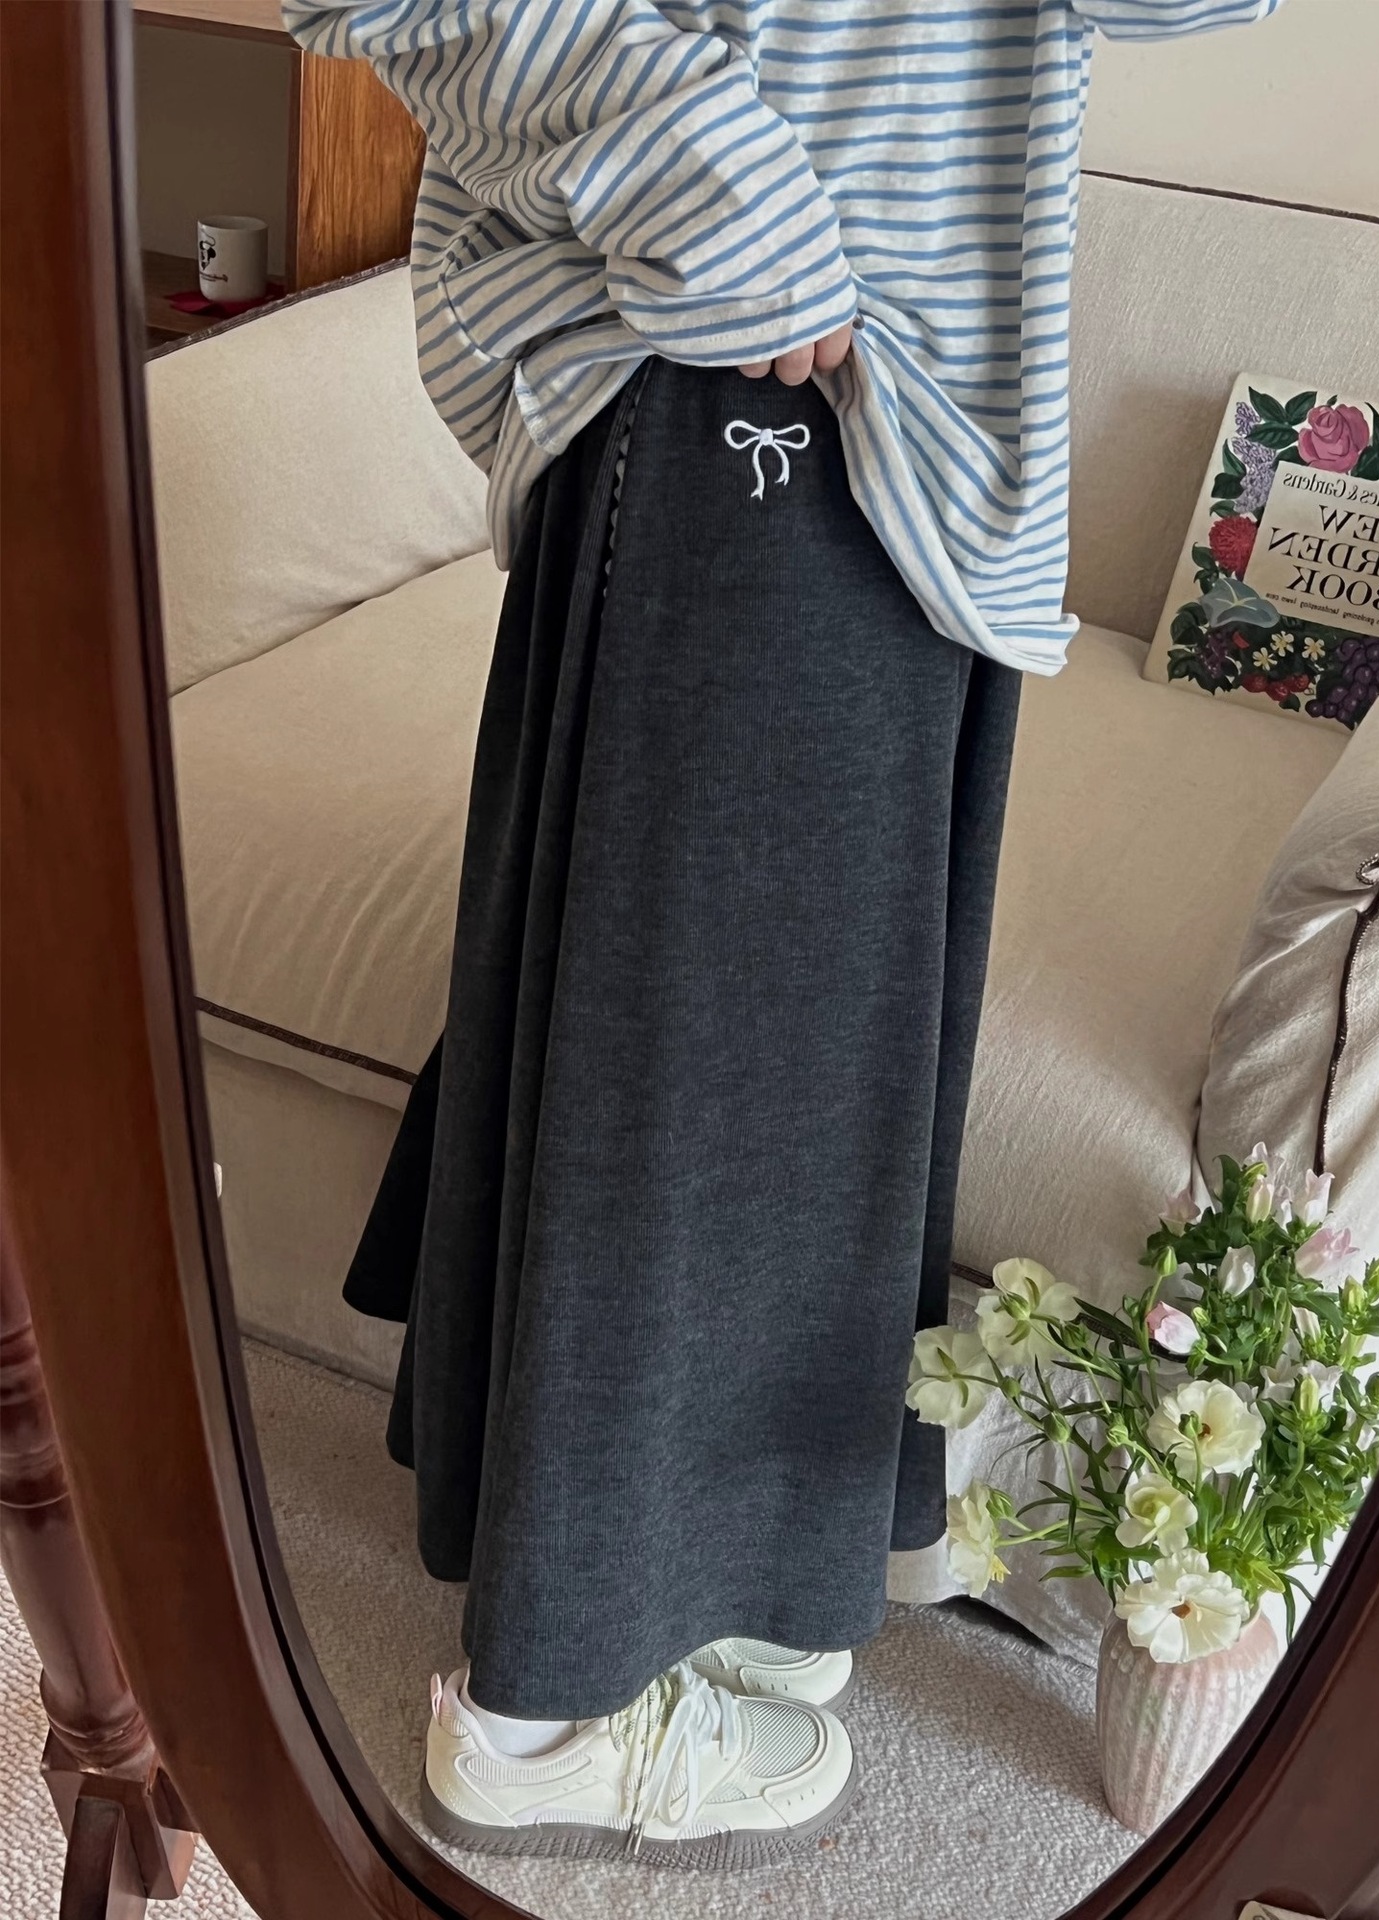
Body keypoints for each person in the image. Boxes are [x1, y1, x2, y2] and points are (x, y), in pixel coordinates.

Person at [283, 0, 1287, 1866]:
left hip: (911, 408)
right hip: (732, 351)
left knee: (804, 1071)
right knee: (701, 1082)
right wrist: (731, 200)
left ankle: (680, 1573)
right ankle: (546, 1717)